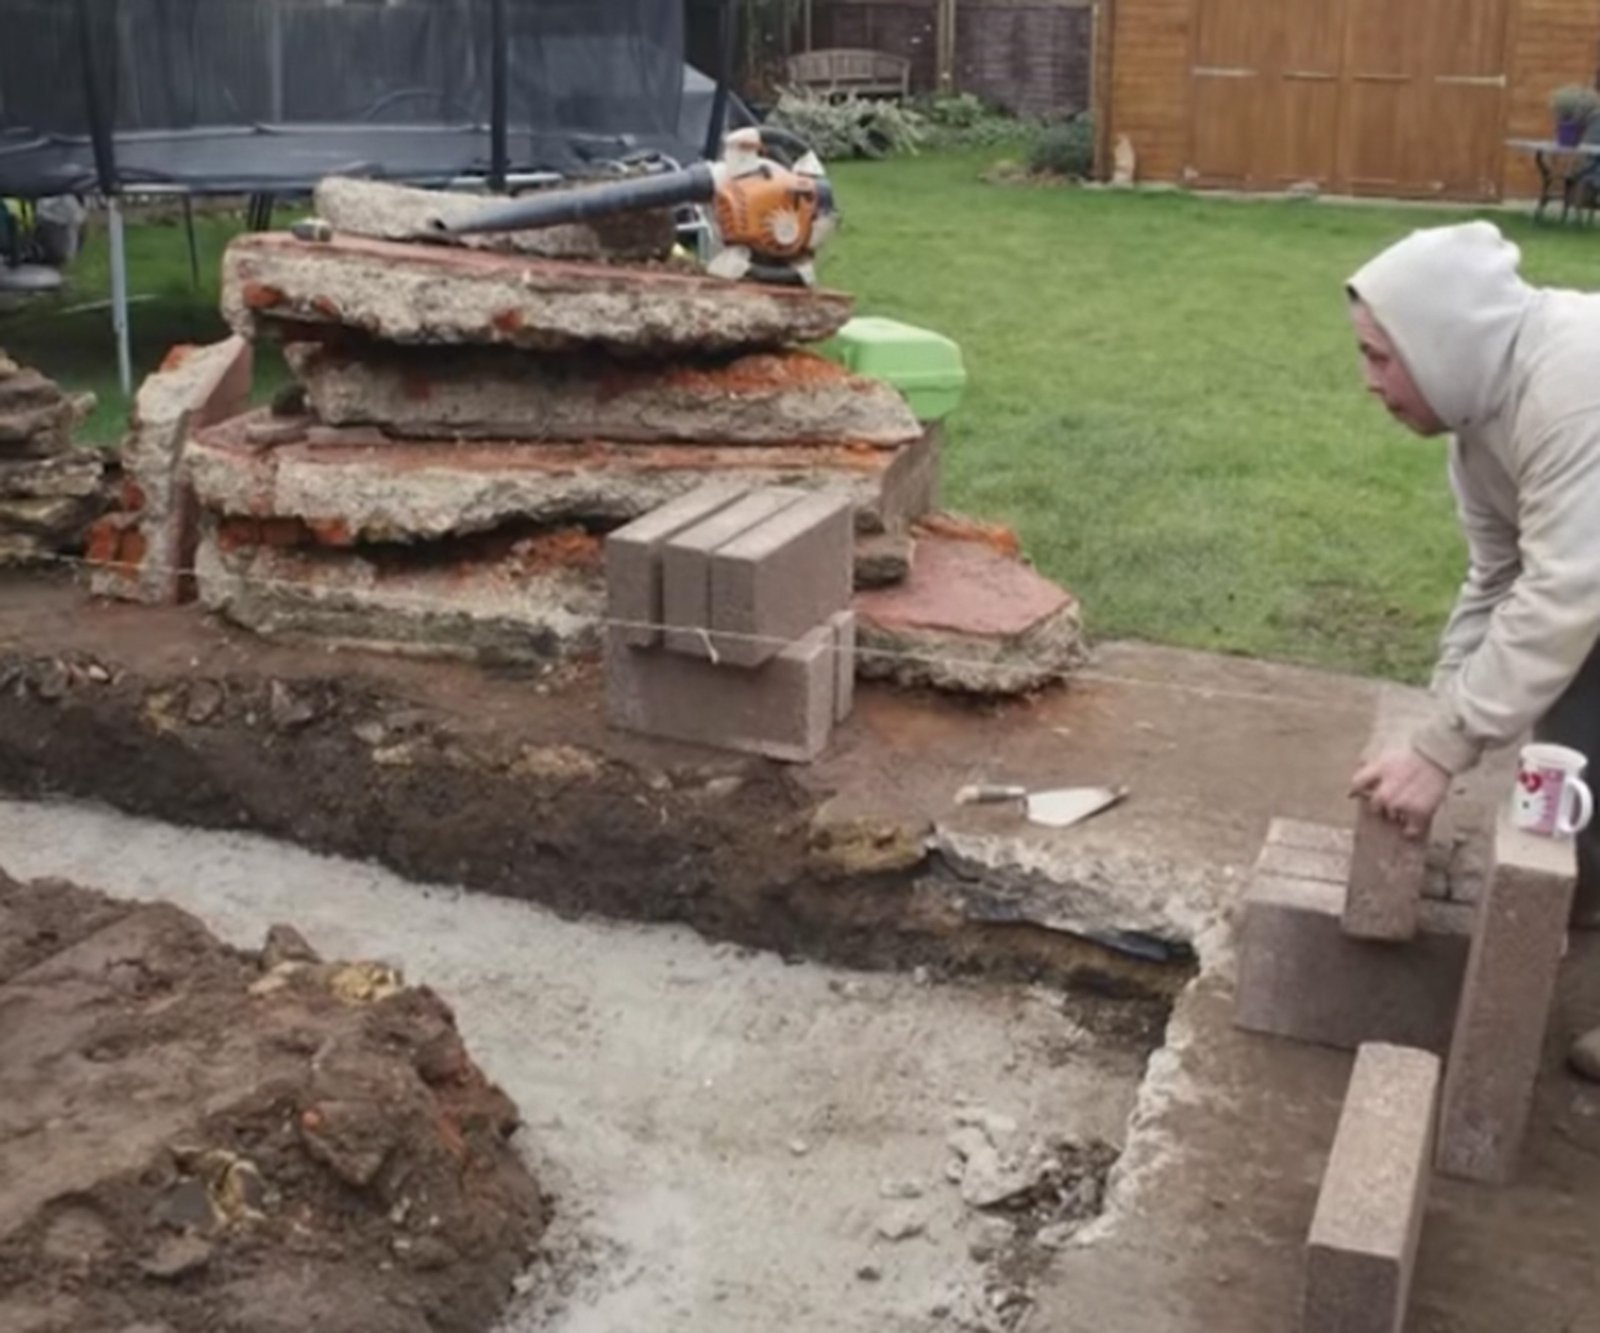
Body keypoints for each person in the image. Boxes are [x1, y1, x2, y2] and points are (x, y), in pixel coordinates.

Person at [1343, 219, 1600, 1078]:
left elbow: (1563, 592)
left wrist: (1443, 750)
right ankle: (1580, 889)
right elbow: (1496, 580)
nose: (1367, 381)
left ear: (1440, 340)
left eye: (1381, 357)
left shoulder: (1572, 384)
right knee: (1568, 729)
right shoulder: (1476, 429)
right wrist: (1435, 715)